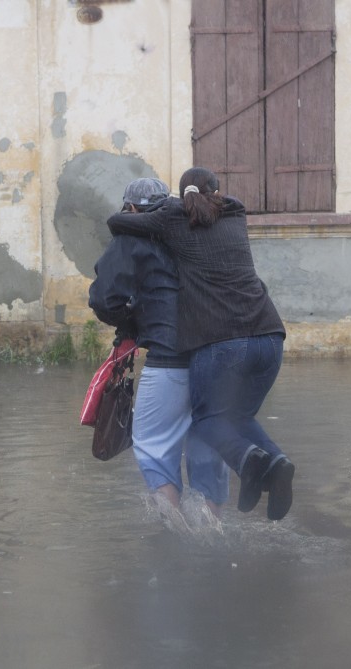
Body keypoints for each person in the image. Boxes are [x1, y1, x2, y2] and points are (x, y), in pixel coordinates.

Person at [106, 167, 295, 521]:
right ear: (218, 194)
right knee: (233, 419)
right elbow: (226, 203)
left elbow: (119, 225)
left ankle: (244, 467)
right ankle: (272, 465)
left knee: (202, 424)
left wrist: (129, 323)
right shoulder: (235, 215)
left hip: (217, 344)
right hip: (270, 336)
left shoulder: (169, 225)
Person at [89, 177, 230, 527]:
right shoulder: (194, 231)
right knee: (208, 445)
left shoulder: (130, 238)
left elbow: (104, 299)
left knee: (152, 443)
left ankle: (176, 537)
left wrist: (134, 325)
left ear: (131, 209)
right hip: (218, 356)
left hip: (170, 359)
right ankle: (212, 533)